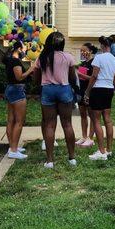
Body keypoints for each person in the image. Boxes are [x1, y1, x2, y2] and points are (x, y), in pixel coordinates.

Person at [34, 32, 77, 168]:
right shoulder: (68, 57)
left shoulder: (42, 57)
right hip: (64, 89)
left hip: (47, 90)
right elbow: (72, 77)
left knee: (49, 125)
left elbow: (36, 77)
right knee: (67, 124)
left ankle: (50, 160)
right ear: (62, 43)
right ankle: (71, 158)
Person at [84, 36, 115, 161]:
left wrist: (87, 92)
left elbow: (94, 76)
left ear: (103, 46)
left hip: (98, 89)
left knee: (96, 121)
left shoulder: (98, 58)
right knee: (108, 120)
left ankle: (101, 151)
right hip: (109, 90)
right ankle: (109, 150)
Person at [3, 42, 35, 159]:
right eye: (24, 48)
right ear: (19, 49)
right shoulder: (15, 61)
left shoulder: (9, 60)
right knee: (19, 121)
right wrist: (31, 69)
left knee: (11, 120)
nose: (25, 50)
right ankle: (14, 150)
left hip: (10, 89)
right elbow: (19, 77)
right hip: (17, 90)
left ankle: (12, 146)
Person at [76, 43, 97, 147]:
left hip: (90, 91)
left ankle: (90, 138)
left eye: (84, 50)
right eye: (81, 51)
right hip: (81, 90)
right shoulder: (83, 63)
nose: (83, 53)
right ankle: (84, 137)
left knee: (92, 115)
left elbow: (94, 78)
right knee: (83, 114)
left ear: (91, 51)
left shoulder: (94, 63)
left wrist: (81, 75)